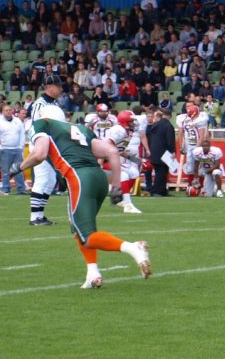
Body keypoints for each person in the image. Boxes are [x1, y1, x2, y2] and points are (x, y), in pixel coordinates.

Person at [19, 104, 152, 289]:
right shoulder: (80, 129)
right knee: (79, 229)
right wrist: (115, 185)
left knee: (87, 235)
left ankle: (132, 247)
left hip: (79, 179)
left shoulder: (43, 124)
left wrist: (19, 167)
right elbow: (112, 152)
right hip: (98, 178)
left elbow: (39, 154)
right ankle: (93, 272)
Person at [27, 74, 63, 225]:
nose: (61, 89)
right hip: (41, 144)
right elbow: (36, 126)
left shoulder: (54, 105)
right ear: (49, 87)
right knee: (42, 178)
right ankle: (34, 217)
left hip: (51, 145)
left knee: (50, 180)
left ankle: (40, 215)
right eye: (58, 86)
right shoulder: (39, 104)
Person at [146, 108, 175, 196]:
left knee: (159, 172)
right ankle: (156, 191)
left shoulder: (155, 125)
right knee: (162, 173)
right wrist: (172, 151)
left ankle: (162, 191)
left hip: (154, 152)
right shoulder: (168, 125)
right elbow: (170, 140)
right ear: (169, 116)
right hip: (163, 153)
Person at [0, 104, 25, 195]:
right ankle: (6, 189)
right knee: (6, 170)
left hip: (17, 149)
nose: (9, 111)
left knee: (18, 171)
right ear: (2, 112)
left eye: (10, 110)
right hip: (5, 149)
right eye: (6, 110)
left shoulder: (17, 121)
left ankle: (21, 190)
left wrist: (21, 146)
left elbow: (22, 134)